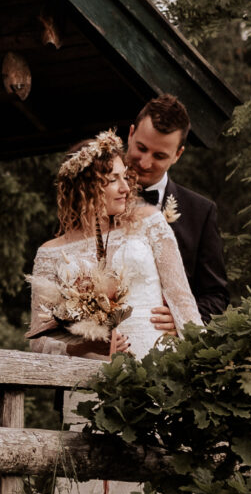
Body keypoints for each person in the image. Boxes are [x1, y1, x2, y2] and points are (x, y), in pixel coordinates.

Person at [26, 124, 204, 360]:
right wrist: (83, 346)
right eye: (113, 180)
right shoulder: (50, 253)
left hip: (157, 362)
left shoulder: (150, 223)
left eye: (124, 177)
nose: (126, 187)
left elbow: (183, 301)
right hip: (87, 377)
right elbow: (39, 342)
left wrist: (203, 362)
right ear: (85, 188)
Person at [111, 94, 228, 330]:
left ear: (178, 154)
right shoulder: (92, 198)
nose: (144, 162)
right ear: (131, 134)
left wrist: (182, 318)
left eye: (159, 155)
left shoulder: (201, 212)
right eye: (141, 148)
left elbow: (216, 297)